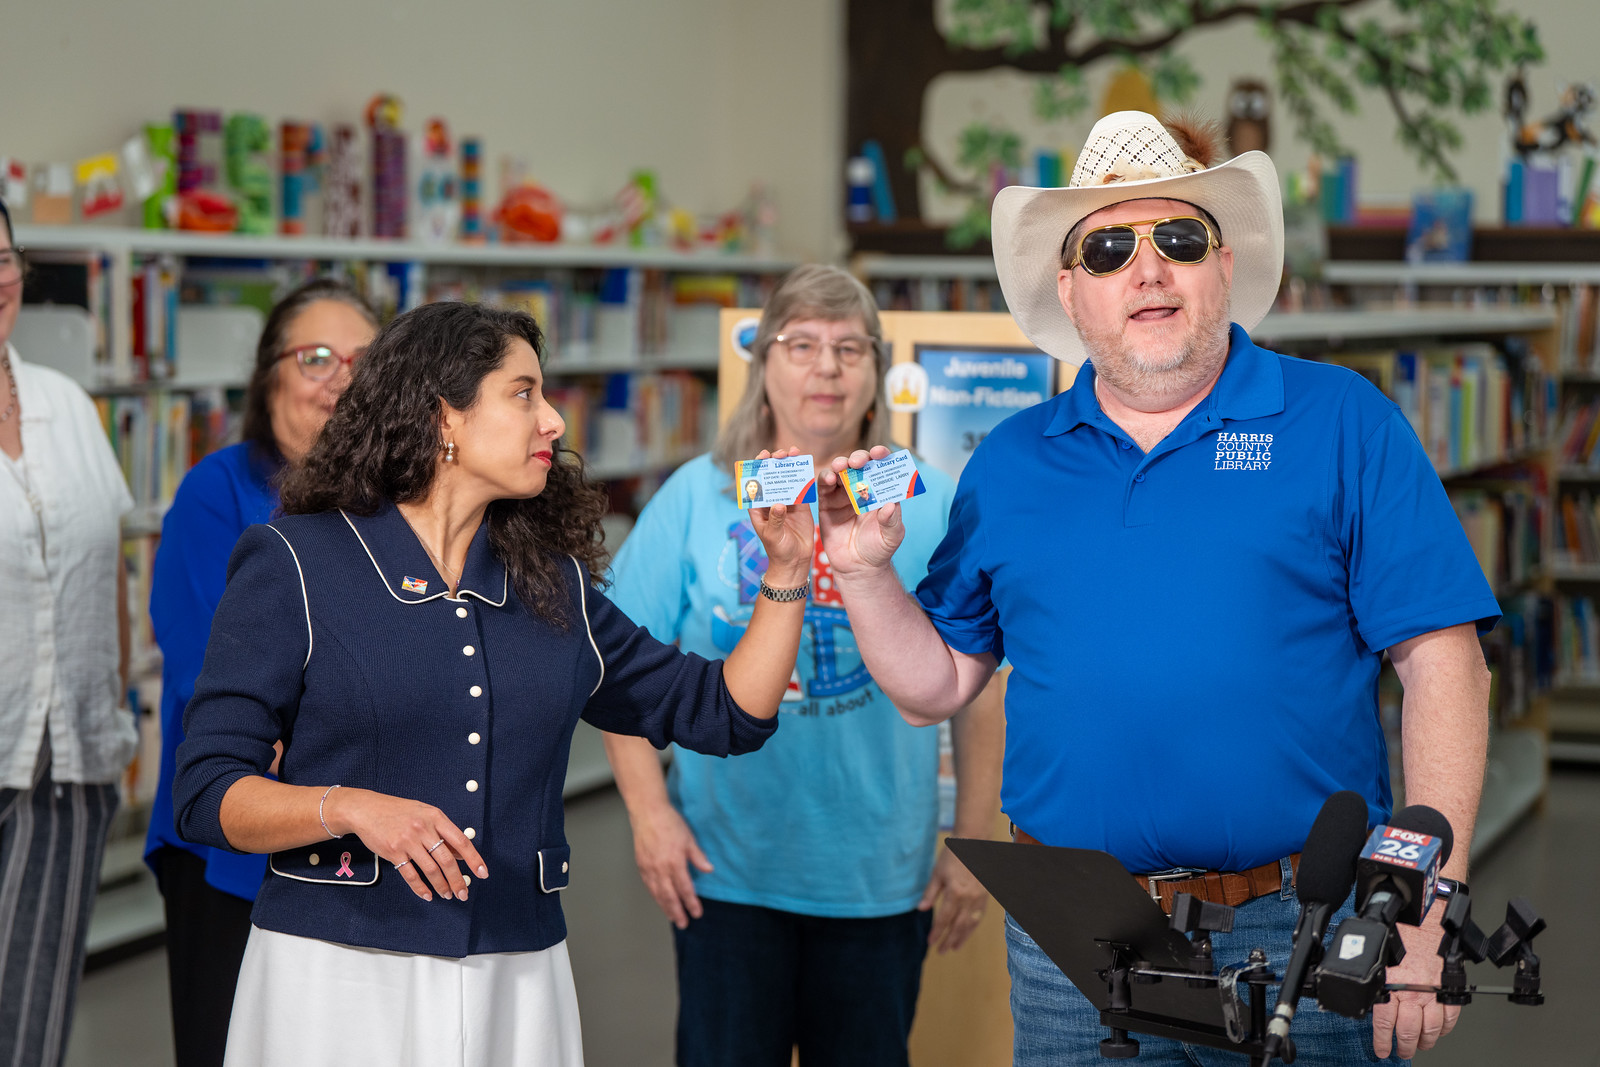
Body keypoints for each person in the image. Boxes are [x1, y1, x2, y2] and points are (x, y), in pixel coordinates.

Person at [818, 112, 1496, 1066]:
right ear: (1071, 291)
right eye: (1108, 248)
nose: (1149, 269)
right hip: (1074, 943)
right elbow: (936, 681)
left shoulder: (1342, 421)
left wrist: (1428, 900)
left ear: (1224, 266)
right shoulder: (1010, 462)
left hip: (1297, 927)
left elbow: (1444, 660)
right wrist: (860, 571)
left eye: (1179, 239)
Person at [172, 300, 813, 1067]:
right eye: (523, 393)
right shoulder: (295, 563)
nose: (552, 422)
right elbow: (206, 790)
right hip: (336, 974)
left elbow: (726, 713)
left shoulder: (554, 588)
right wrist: (347, 806)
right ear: (443, 414)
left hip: (518, 975)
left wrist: (787, 571)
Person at [602, 264, 1004, 1067]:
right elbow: (616, 671)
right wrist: (650, 814)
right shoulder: (696, 495)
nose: (826, 367)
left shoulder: (932, 501)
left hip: (880, 876)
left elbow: (981, 690)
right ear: (764, 365)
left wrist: (972, 843)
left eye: (850, 348)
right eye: (803, 344)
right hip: (727, 867)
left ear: (876, 374)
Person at [142, 278, 379, 1067]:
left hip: (362, 836)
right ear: (269, 374)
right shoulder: (219, 490)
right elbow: (206, 668)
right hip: (231, 839)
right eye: (315, 357)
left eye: (363, 359)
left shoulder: (399, 504)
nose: (340, 378)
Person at [0, 197, 137, 1066]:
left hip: (67, 760)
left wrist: (116, 707)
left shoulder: (65, 403)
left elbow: (107, 570)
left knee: (33, 1019)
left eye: (1, 257)